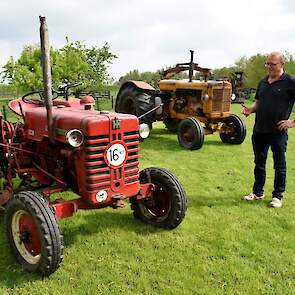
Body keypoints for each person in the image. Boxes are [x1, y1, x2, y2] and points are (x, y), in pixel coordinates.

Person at [241, 52, 295, 208]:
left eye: (273, 64)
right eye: (267, 64)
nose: (269, 67)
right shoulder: (263, 82)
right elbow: (258, 102)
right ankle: (257, 192)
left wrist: (292, 122)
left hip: (278, 132)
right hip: (259, 130)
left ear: (282, 64)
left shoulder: (290, 82)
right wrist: (250, 110)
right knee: (259, 163)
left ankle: (277, 197)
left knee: (279, 165)